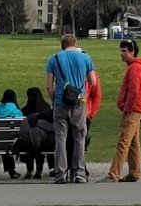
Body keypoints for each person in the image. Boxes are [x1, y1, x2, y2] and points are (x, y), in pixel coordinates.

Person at [44, 33, 98, 184]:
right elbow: (93, 81)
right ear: (75, 43)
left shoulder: (54, 58)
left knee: (60, 138)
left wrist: (54, 98)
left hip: (60, 102)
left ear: (62, 44)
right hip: (79, 102)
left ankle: (60, 173)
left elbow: (49, 85)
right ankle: (79, 172)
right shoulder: (85, 57)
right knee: (79, 137)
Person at [99, 37, 141, 183]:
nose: (121, 54)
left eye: (124, 51)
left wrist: (126, 108)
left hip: (132, 110)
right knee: (134, 142)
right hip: (137, 108)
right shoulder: (136, 66)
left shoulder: (134, 68)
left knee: (123, 142)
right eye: (121, 51)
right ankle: (134, 172)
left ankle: (113, 174)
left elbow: (133, 91)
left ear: (132, 52)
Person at [18, 87, 54, 179]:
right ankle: (39, 170)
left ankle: (30, 170)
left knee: (30, 140)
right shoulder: (46, 108)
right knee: (40, 140)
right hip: (45, 142)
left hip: (28, 142)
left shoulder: (24, 110)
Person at [0, 89, 24, 179]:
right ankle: (12, 171)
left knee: (3, 139)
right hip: (10, 142)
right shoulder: (16, 112)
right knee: (7, 141)